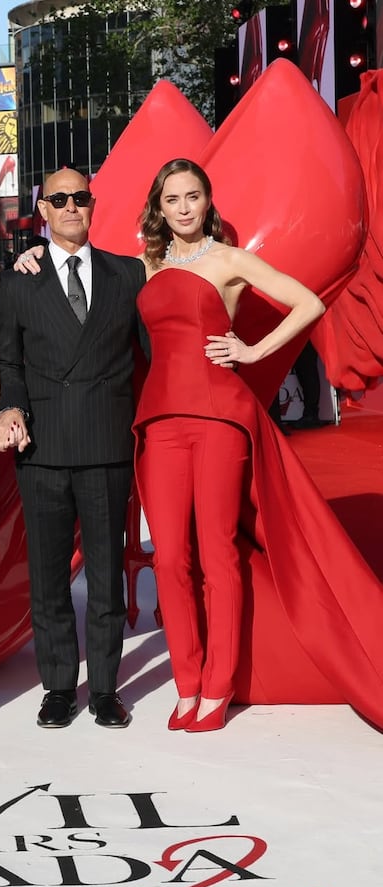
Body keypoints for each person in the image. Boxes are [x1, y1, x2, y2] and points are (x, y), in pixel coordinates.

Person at [132, 157, 383, 731]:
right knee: (169, 556)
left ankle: (217, 687)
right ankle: (187, 682)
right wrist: (30, 257)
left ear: (207, 200)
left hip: (219, 417)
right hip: (160, 420)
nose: (184, 208)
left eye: (193, 196)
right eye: (173, 199)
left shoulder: (230, 260)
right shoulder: (146, 266)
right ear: (159, 208)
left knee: (217, 551)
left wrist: (251, 351)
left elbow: (310, 303)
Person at [0, 166, 147, 730]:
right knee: (50, 577)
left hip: (107, 440)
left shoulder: (128, 274)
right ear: (43, 210)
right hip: (43, 447)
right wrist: (12, 407)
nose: (71, 207)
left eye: (80, 197)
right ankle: (58, 687)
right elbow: (9, 360)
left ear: (93, 204)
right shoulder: (19, 280)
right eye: (59, 199)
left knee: (106, 575)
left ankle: (105, 688)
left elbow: (155, 351)